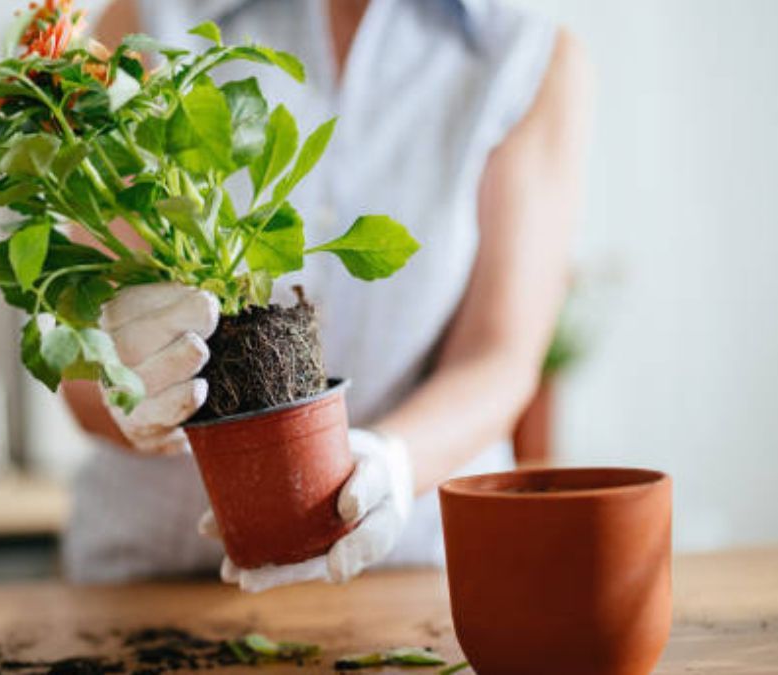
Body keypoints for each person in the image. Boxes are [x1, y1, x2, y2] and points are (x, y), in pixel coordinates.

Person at [62, 0, 592, 591]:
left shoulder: (521, 57)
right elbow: (82, 359)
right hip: (160, 578)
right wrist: (127, 391)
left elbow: (499, 358)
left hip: (408, 577)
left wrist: (388, 465)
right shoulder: (147, 23)